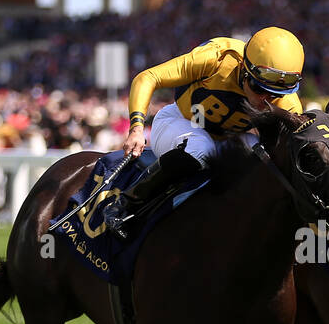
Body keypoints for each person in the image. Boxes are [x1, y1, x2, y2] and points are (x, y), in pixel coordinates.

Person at [104, 27, 305, 238]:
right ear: (244, 69)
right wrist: (136, 128)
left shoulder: (289, 104)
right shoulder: (216, 59)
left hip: (228, 139)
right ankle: (126, 204)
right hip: (180, 122)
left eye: (275, 94)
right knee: (202, 147)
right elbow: (148, 77)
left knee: (260, 157)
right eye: (258, 88)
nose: (265, 99)